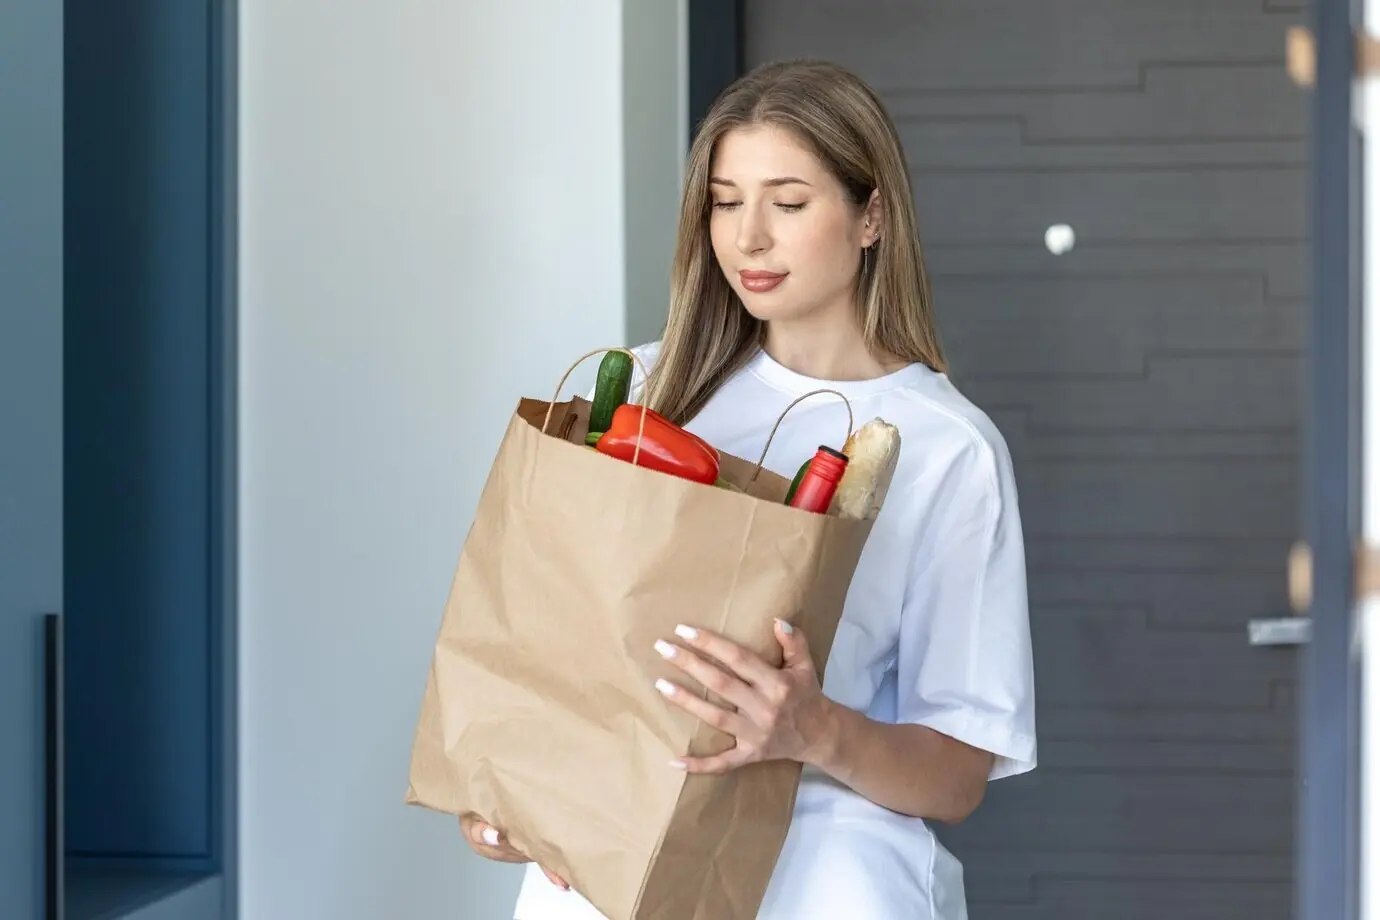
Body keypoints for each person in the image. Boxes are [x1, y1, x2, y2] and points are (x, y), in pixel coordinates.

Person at [460, 58, 1036, 920]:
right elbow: (544, 640)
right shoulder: (645, 392)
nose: (748, 238)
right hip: (595, 880)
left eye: (789, 202)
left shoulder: (946, 448)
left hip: (822, 882)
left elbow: (957, 775)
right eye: (726, 201)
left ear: (871, 214)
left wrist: (812, 729)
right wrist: (506, 786)